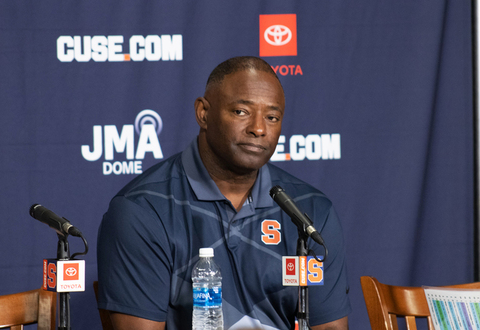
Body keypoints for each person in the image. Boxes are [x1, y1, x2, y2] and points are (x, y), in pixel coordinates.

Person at [97, 56, 351, 330]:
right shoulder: (143, 209)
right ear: (203, 113)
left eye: (272, 117)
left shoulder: (309, 211)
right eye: (242, 111)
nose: (258, 128)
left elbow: (329, 326)